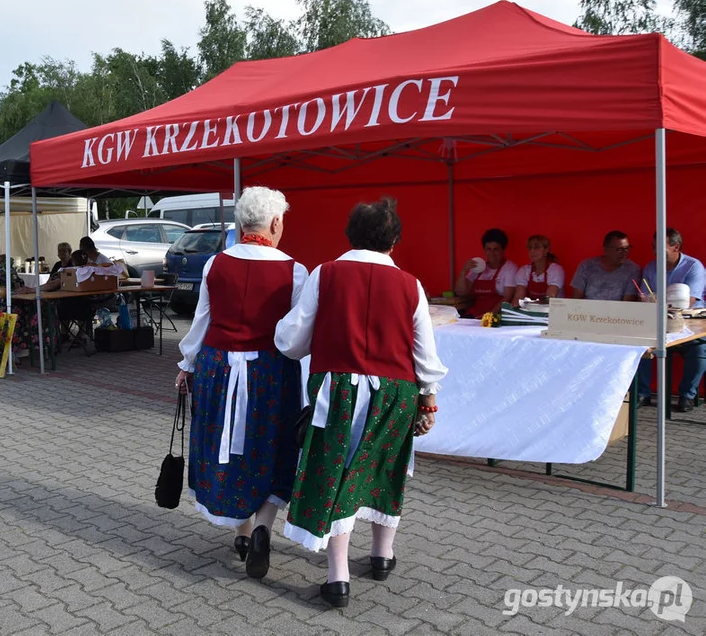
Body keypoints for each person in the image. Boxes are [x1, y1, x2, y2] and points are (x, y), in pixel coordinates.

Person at [275, 198, 447, 609]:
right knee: (385, 466)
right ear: (394, 241)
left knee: (337, 471)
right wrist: (429, 399)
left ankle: (338, 578)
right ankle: (382, 557)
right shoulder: (410, 284)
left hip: (338, 389)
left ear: (350, 235)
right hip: (395, 391)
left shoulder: (326, 274)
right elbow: (425, 350)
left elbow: (292, 340)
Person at [173, 187, 309, 581]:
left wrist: (186, 364)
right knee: (272, 445)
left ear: (240, 223)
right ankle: (263, 525)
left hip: (219, 368)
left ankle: (243, 532)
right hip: (272, 371)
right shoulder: (294, 270)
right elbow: (296, 336)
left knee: (230, 447)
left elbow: (201, 322)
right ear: (275, 223)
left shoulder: (215, 264)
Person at [636, 228, 706, 412]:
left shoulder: (693, 266)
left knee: (700, 348)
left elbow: (687, 302)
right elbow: (644, 296)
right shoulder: (651, 267)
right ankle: (642, 392)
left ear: (676, 247)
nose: (654, 251)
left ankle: (687, 395)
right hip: (658, 322)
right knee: (639, 343)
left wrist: (657, 301)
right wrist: (649, 300)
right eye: (653, 247)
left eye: (659, 247)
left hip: (688, 323)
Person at [454, 228, 516, 317]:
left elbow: (507, 298)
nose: (491, 253)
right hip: (475, 314)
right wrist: (464, 270)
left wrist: (489, 315)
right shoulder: (479, 267)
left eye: (496, 249)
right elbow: (461, 292)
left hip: (496, 317)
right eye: (488, 249)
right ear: (484, 250)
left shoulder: (510, 268)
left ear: (503, 250)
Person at [569, 230, 641, 301]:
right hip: (588, 312)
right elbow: (575, 301)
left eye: (627, 248)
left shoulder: (633, 270)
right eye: (620, 249)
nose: (625, 253)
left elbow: (627, 305)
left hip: (617, 312)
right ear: (605, 250)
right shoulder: (586, 266)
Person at [510, 235, 565, 307]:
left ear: (546, 250)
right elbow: (518, 297)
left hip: (553, 313)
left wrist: (527, 305)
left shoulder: (556, 270)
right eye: (530, 248)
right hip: (530, 313)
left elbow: (549, 299)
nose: (532, 251)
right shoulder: (524, 271)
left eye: (536, 247)